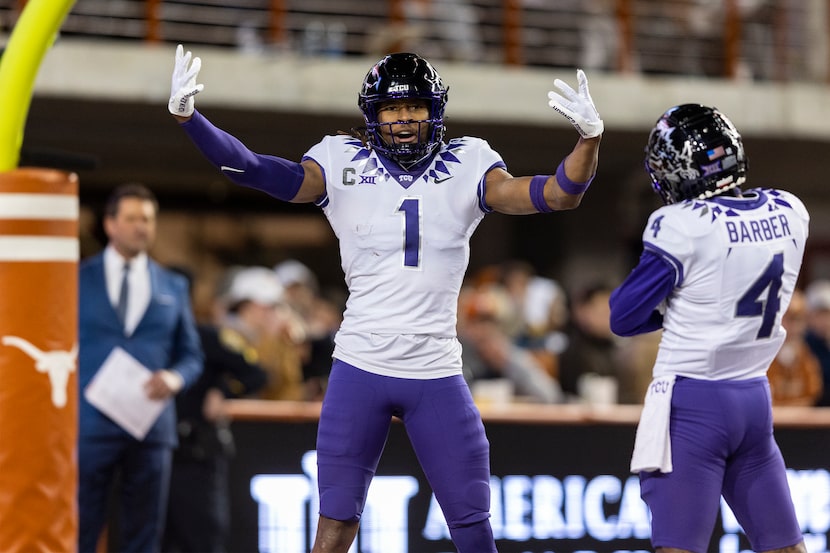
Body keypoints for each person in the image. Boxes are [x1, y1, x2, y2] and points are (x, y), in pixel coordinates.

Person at [168, 44, 603, 552]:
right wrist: (191, 120)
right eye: (393, 108)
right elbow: (258, 170)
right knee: (334, 524)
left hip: (435, 367)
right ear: (373, 115)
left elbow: (556, 194)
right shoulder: (339, 159)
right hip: (361, 362)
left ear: (433, 112)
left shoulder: (470, 162)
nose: (403, 119)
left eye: (414, 107)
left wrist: (589, 141)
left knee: (471, 521)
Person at [609, 104, 808, 553]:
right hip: (755, 398)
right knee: (785, 547)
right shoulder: (790, 210)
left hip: (694, 402)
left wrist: (681, 310)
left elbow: (622, 316)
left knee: (678, 547)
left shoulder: (681, 225)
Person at [77, 183, 203, 553]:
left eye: (147, 219)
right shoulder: (76, 278)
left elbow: (192, 355)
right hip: (91, 423)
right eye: (132, 218)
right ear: (110, 224)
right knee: (82, 526)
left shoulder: (174, 285)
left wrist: (174, 377)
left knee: (145, 533)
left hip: (150, 427)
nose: (141, 227)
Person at [163, 266, 268, 553]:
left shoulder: (207, 337)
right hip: (154, 452)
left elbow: (255, 373)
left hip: (196, 452)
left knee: (204, 535)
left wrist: (222, 390)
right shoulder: (146, 340)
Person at [767, 288, 823, 406]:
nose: (795, 326)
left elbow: (813, 391)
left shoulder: (804, 353)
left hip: (798, 420)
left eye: (799, 320)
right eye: (790, 319)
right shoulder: (765, 353)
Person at [804, 278, 830, 406]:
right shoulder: (802, 345)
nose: (824, 320)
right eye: (820, 314)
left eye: (827, 314)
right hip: (810, 414)